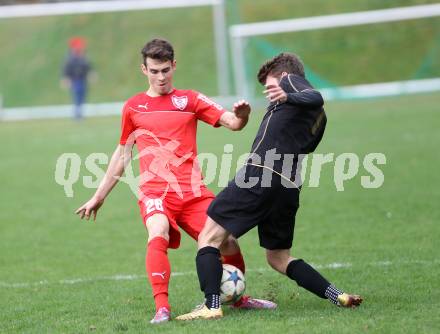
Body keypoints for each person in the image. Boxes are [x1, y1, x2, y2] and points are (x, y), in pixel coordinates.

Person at [75, 38, 277, 325]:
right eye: (154, 71)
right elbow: (123, 154)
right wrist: (99, 196)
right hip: (155, 192)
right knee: (157, 230)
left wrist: (242, 116)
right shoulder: (134, 107)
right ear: (143, 70)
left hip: (193, 192)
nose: (161, 77)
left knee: (228, 241)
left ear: (174, 66)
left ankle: (238, 298)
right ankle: (162, 308)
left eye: (166, 70)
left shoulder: (190, 99)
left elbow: (231, 122)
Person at [176, 52, 363, 321]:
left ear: (285, 77)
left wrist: (286, 94)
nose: (270, 93)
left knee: (209, 237)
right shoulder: (318, 119)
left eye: (271, 85)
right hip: (288, 185)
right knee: (278, 257)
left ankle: (212, 305)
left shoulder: (292, 83)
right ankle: (338, 295)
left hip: (262, 173)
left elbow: (315, 96)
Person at [61, 37, 92, 120]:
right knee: (77, 97)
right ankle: (77, 115)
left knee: (82, 97)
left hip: (82, 80)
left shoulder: (83, 57)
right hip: (75, 80)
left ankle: (80, 114)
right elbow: (65, 69)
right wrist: (65, 79)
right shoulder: (69, 58)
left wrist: (91, 74)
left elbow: (88, 67)